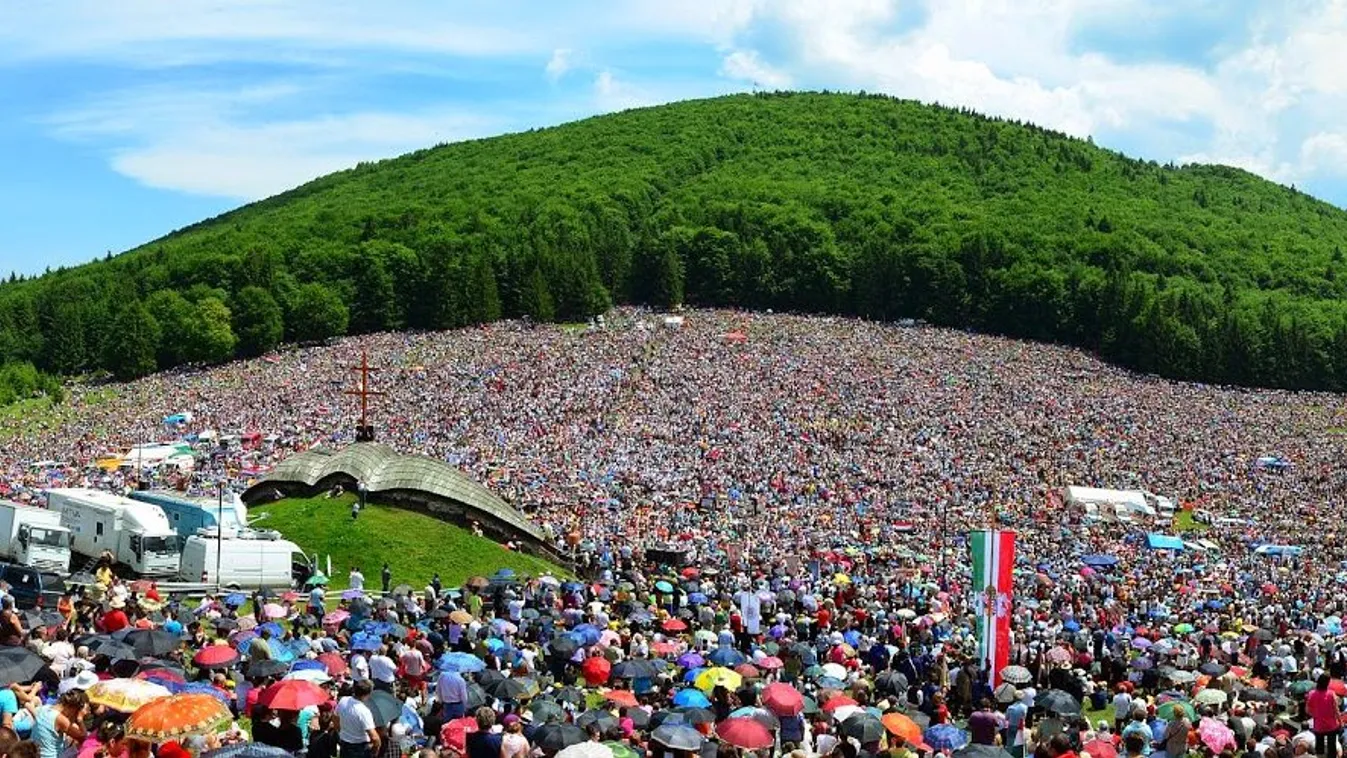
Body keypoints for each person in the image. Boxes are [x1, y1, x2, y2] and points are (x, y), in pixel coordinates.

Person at [31, 690, 87, 758]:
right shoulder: (60, 719)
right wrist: (80, 719)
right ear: (72, 707)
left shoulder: (45, 708)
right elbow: (83, 737)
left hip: (35, 753)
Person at [336, 680, 380, 758]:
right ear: (367, 694)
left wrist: (340, 731)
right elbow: (375, 738)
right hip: (359, 748)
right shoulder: (364, 711)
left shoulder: (343, 700)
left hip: (344, 744)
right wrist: (375, 751)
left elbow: (335, 716)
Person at [1307, 673, 1340, 758]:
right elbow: (1336, 710)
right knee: (1332, 748)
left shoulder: (1311, 694)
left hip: (1319, 725)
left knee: (1319, 749)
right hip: (1332, 725)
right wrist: (1340, 721)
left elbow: (1307, 710)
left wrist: (1316, 715)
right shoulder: (1331, 694)